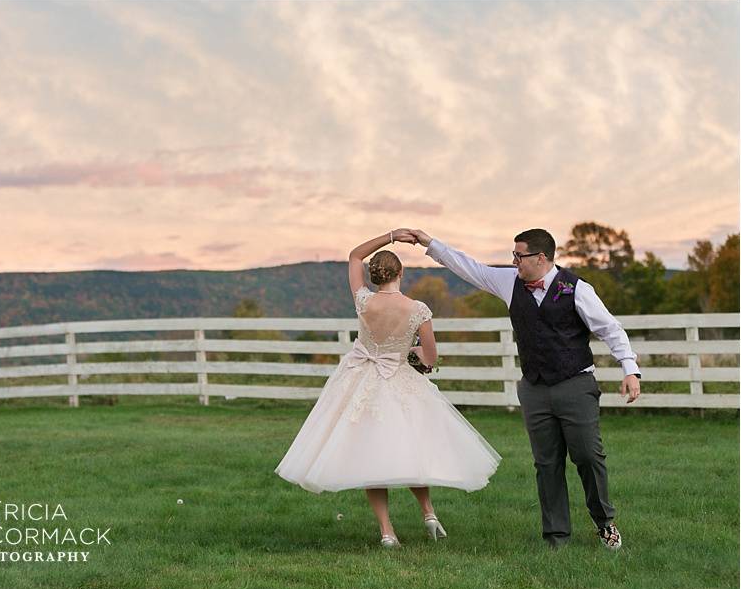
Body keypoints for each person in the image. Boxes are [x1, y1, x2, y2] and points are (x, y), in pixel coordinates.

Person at [403, 227, 641, 550]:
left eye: (519, 255)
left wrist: (630, 369)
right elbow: (470, 268)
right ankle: (557, 537)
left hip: (576, 384)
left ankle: (604, 522)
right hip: (534, 389)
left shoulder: (577, 289)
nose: (513, 261)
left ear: (540, 258)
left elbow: (611, 330)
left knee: (588, 455)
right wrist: (430, 243)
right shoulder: (509, 283)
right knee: (546, 463)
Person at [274, 229, 501, 548]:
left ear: (374, 275)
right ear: (401, 273)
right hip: (400, 382)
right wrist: (412, 354)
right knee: (412, 449)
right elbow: (431, 357)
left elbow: (354, 255)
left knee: (372, 458)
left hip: (360, 381)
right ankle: (429, 513)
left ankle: (386, 532)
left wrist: (392, 235)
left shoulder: (363, 300)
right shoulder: (417, 309)